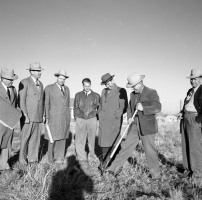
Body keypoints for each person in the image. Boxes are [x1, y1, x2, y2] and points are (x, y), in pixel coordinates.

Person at [107, 73, 161, 178]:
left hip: (147, 127)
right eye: (131, 86)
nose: (132, 88)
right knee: (125, 147)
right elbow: (129, 109)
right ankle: (113, 169)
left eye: (134, 86)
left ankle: (156, 175)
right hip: (134, 126)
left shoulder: (151, 92)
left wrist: (144, 109)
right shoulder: (132, 95)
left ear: (140, 83)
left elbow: (157, 107)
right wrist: (129, 117)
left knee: (150, 151)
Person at [177, 69, 202, 180]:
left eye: (195, 79)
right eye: (191, 79)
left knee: (194, 146)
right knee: (185, 144)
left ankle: (197, 173)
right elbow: (187, 104)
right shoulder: (190, 91)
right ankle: (188, 169)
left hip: (194, 119)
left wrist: (198, 120)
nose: (192, 81)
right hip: (185, 119)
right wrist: (181, 112)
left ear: (200, 79)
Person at [18, 62, 44, 165]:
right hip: (28, 116)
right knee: (25, 138)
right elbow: (21, 100)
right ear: (31, 71)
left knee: (35, 138)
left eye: (39, 71)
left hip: (38, 116)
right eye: (37, 71)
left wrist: (43, 115)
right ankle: (22, 160)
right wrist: (25, 115)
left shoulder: (41, 84)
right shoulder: (24, 82)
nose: (39, 73)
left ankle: (33, 159)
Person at [98, 73, 128, 162]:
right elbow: (101, 104)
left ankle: (115, 163)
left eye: (109, 83)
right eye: (106, 84)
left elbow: (124, 106)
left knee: (114, 141)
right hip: (103, 121)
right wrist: (99, 113)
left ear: (112, 80)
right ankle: (105, 161)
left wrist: (116, 115)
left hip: (114, 121)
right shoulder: (103, 91)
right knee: (104, 142)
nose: (108, 85)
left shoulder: (121, 90)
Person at [44, 70, 71, 164]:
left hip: (65, 117)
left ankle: (59, 157)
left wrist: (68, 116)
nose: (62, 80)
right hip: (53, 117)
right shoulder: (49, 88)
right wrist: (46, 117)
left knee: (62, 137)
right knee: (53, 137)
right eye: (60, 78)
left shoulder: (67, 89)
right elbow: (46, 104)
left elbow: (67, 103)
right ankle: (51, 158)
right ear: (57, 77)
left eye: (64, 79)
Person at [74, 78, 100, 162]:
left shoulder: (96, 95)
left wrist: (96, 117)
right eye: (85, 86)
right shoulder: (78, 95)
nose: (87, 88)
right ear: (83, 86)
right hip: (80, 119)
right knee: (80, 138)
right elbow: (75, 108)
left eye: (88, 86)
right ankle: (81, 157)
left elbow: (99, 108)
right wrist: (77, 117)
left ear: (90, 85)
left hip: (92, 119)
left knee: (91, 139)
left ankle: (92, 156)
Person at [0, 67, 19, 170]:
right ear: (3, 78)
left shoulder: (13, 89)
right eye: (10, 79)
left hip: (10, 122)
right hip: (0, 122)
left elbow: (15, 104)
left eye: (12, 79)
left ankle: (4, 164)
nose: (12, 81)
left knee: (7, 143)